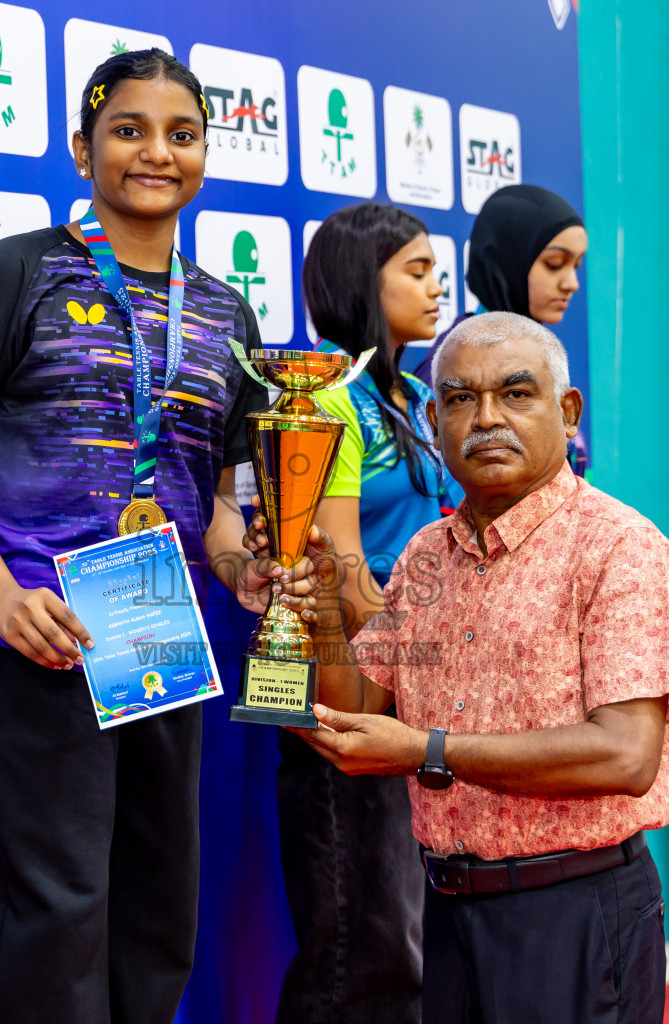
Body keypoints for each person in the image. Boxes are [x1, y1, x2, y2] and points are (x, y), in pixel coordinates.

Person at [0, 49, 281, 1024]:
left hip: (161, 639)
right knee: (40, 925)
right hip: (37, 638)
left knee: (156, 916)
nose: (157, 152)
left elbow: (221, 493)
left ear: (205, 154)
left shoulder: (224, 311)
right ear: (83, 148)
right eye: (129, 130)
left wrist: (241, 566)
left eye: (182, 134)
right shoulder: (17, 272)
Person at [257, 311, 669, 1023]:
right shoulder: (428, 554)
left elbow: (626, 756)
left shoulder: (621, 550)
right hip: (451, 911)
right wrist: (318, 598)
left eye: (515, 394)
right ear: (433, 419)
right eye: (461, 399)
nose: (486, 419)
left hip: (573, 912)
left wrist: (428, 751)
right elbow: (359, 708)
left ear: (568, 410)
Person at [275, 202, 447, 1024]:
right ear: (359, 283)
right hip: (349, 676)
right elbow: (339, 570)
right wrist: (417, 668)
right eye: (415, 270)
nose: (437, 284)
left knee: (405, 926)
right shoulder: (324, 397)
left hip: (415, 678)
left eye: (436, 268)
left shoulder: (419, 394)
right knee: (360, 935)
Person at [412, 184, 586, 388]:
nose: (572, 284)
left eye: (576, 265)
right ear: (508, 263)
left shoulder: (536, 353)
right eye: (554, 264)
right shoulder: (451, 366)